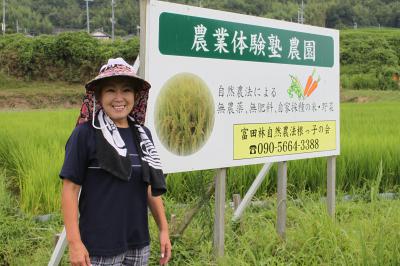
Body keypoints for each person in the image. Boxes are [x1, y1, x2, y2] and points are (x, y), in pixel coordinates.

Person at [60, 58, 171, 266]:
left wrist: (163, 229)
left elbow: (148, 186)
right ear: (99, 96)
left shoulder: (142, 135)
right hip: (98, 248)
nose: (119, 98)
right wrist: (75, 243)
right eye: (110, 90)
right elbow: (70, 189)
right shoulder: (85, 134)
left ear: (135, 96)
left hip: (138, 245)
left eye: (126, 90)